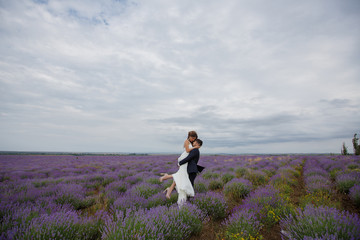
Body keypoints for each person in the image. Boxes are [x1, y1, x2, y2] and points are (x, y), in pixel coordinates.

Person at [159, 131, 202, 206]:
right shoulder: (187, 142)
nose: (193, 140)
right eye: (193, 139)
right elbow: (188, 151)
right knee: (182, 177)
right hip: (184, 163)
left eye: (195, 139)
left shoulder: (194, 147)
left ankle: (169, 188)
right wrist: (180, 162)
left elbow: (190, 156)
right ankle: (167, 180)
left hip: (187, 165)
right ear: (190, 137)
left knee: (180, 177)